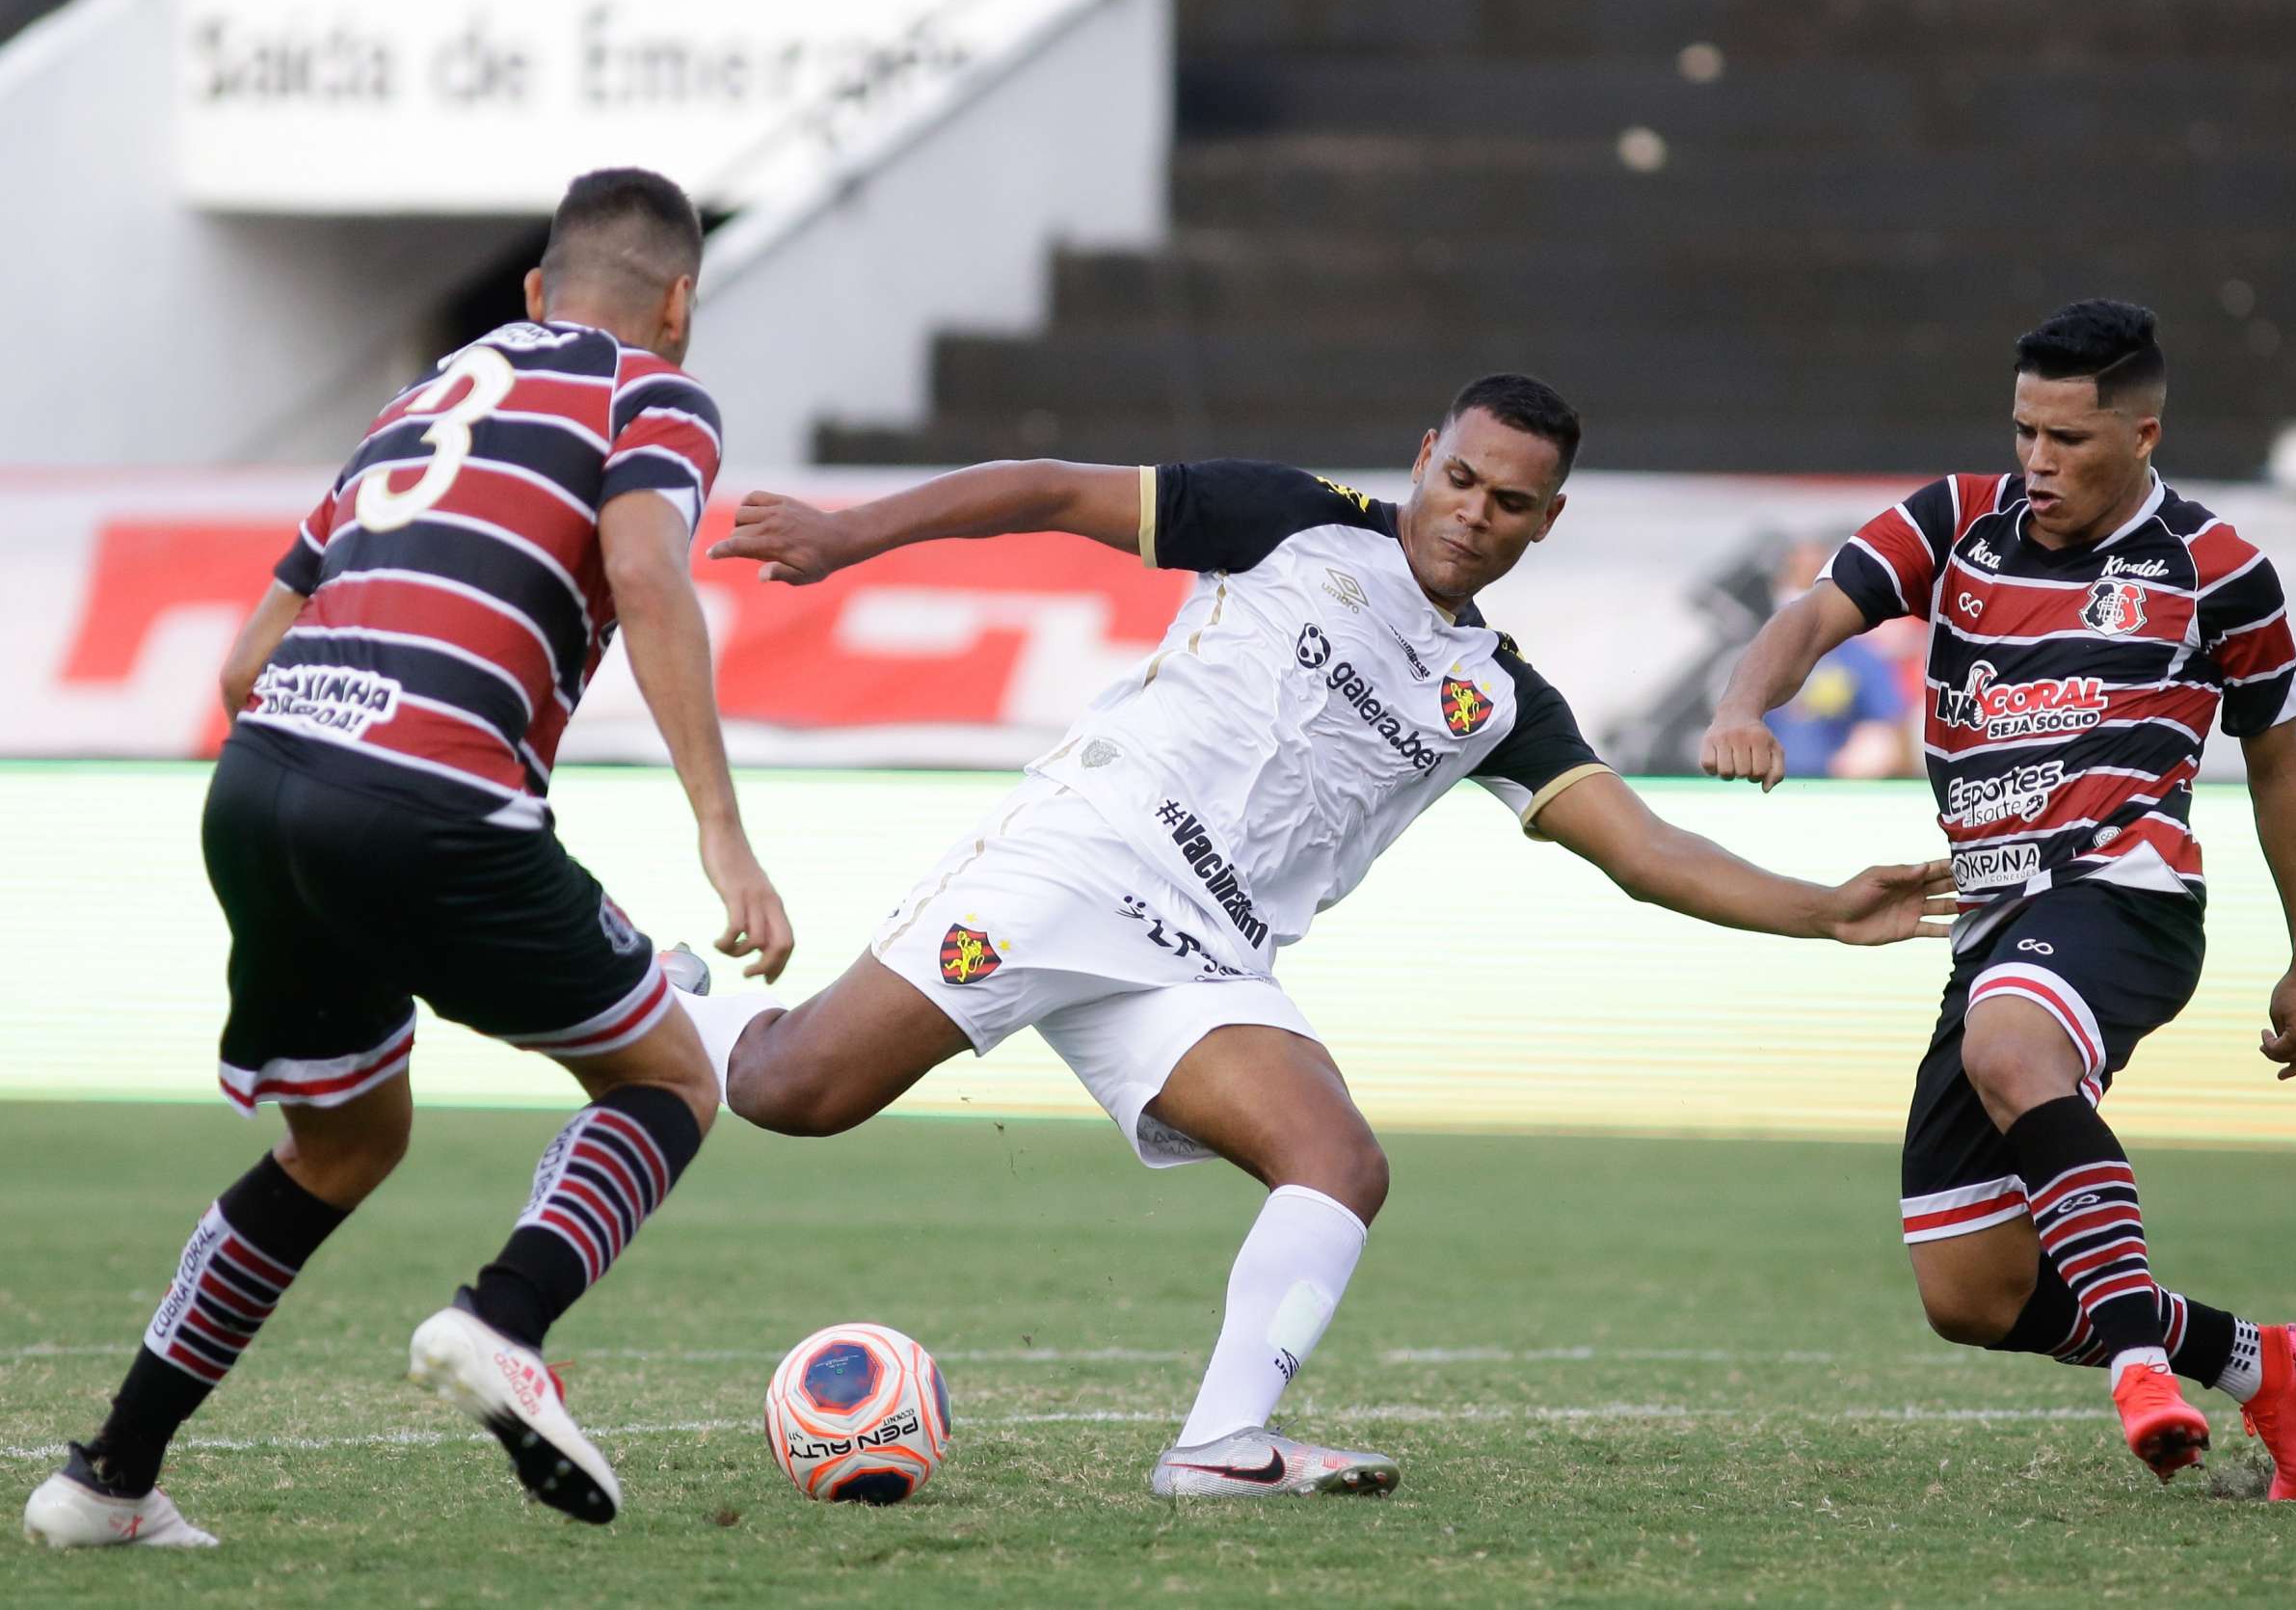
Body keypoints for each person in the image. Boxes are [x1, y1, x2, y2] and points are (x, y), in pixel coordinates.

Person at [663, 372, 1952, 1498]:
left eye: (1510, 501)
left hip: (1204, 959)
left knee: (1335, 1159)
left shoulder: (1497, 696)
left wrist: (1823, 907)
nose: (1473, 512)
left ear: (1546, 520)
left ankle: (1219, 1444)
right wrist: (850, 532)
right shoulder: (1291, 520)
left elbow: (1644, 849)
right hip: (1074, 865)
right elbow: (1051, 488)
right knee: (791, 1090)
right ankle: (653, 994)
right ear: (1425, 456)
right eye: (1461, 478)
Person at [22, 168, 793, 1548]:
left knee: (342, 1142)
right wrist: (722, 834)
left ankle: (106, 1480)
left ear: (534, 290)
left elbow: (243, 664)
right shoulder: (654, 393)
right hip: (425, 801)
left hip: (261, 786)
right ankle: (505, 1320)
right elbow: (646, 571)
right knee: (670, 1076)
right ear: (679, 303)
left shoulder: (423, 396)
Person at [1700, 301, 2296, 1497]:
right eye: (2023, 432)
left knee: (2007, 1043)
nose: (2037, 461)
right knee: (1970, 1291)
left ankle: (2141, 1371)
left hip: (2128, 892)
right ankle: (2258, 1360)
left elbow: (2279, 769)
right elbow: (1811, 616)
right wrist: (1744, 703)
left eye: (2069, 439)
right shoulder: (1953, 521)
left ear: (2143, 434)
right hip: (1994, 922)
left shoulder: (2218, 570)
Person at [1756, 538, 1918, 779]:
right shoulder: (1756, 657)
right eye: (1796, 577)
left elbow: (1896, 728)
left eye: (1813, 579)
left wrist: (1879, 755)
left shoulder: (1861, 658)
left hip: (1835, 787)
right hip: (1765, 784)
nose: (1802, 593)